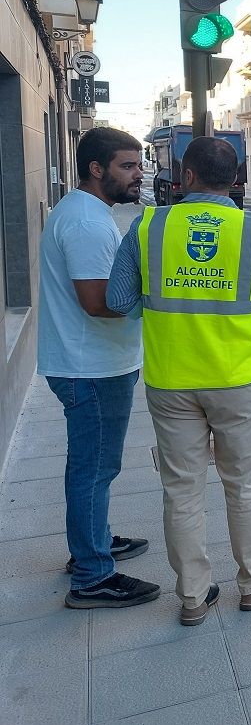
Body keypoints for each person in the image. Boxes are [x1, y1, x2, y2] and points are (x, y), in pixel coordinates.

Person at [106, 136, 251, 626]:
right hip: (237, 379)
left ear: (185, 176)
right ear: (235, 180)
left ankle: (193, 596)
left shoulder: (149, 226)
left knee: (182, 490)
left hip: (171, 379)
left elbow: (119, 301)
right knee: (244, 484)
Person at [38, 127, 161, 610]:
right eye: (128, 166)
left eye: (138, 165)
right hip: (90, 367)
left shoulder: (84, 212)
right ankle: (92, 576)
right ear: (97, 168)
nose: (139, 175)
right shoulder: (88, 224)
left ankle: (94, 542)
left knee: (97, 465)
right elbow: (97, 302)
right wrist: (156, 300)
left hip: (93, 362)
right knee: (93, 468)